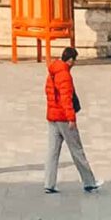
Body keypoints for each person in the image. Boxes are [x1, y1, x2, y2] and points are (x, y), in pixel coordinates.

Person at [42, 46, 99, 194]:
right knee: (77, 150)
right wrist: (71, 119)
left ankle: (49, 183)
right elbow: (66, 99)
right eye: (74, 61)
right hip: (63, 118)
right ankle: (89, 182)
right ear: (70, 60)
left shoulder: (52, 72)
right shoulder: (64, 75)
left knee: (52, 151)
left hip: (52, 116)